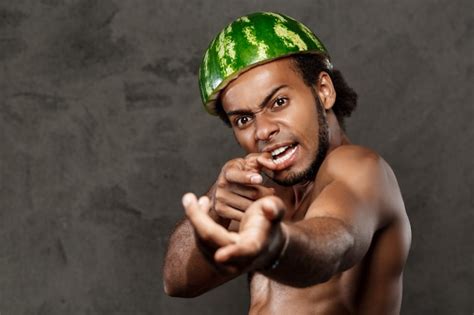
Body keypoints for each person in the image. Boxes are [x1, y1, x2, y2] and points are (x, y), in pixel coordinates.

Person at [163, 12, 411, 314]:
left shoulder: (359, 168)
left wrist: (276, 246)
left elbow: (335, 242)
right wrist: (215, 204)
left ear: (323, 91)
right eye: (244, 119)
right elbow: (176, 282)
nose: (263, 130)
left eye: (278, 102)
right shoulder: (269, 200)